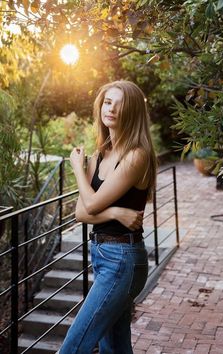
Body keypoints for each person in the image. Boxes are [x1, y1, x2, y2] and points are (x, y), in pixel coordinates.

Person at [59, 80, 157, 354]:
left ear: (133, 111)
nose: (110, 109)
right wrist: (115, 212)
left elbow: (90, 205)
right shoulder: (101, 154)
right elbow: (80, 213)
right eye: (107, 102)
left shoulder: (136, 156)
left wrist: (77, 168)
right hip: (103, 256)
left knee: (73, 347)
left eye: (119, 103)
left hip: (123, 260)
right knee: (115, 347)